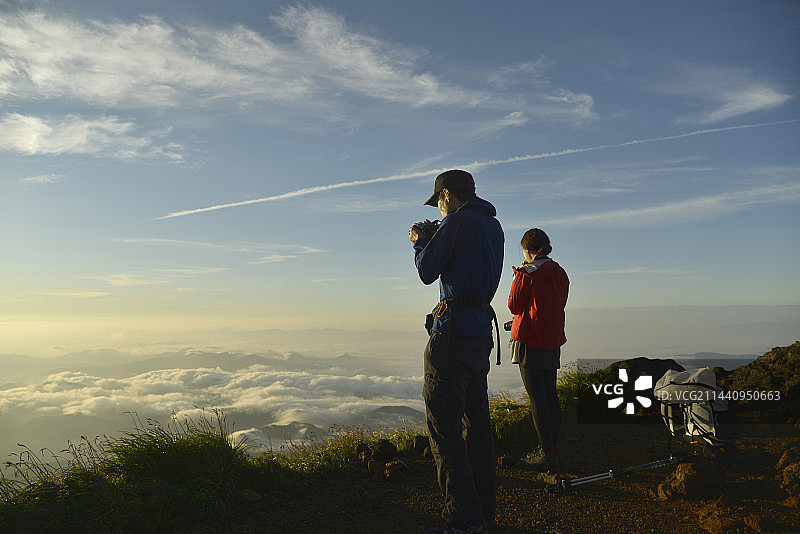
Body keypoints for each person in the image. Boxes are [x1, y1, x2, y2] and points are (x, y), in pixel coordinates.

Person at [409, 169, 504, 534]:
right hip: (480, 333)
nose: (439, 207)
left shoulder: (456, 222)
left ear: (446, 194)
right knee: (477, 426)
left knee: (444, 429)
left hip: (451, 335)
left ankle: (463, 521)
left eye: (438, 201)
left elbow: (426, 272)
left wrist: (421, 241)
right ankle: (484, 513)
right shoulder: (492, 226)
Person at [507, 228, 569, 471]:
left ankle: (547, 453)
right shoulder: (560, 273)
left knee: (537, 400)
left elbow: (514, 305)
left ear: (528, 251)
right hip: (552, 339)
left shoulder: (526, 274)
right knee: (549, 395)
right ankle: (553, 445)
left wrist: (518, 275)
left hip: (529, 341)